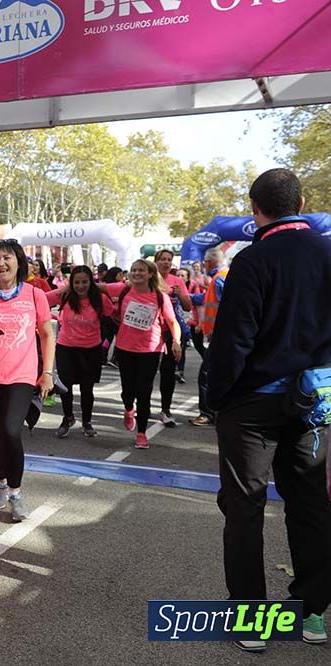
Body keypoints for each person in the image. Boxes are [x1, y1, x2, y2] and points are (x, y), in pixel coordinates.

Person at [207, 169, 331, 652]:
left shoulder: (251, 260)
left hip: (252, 405)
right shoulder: (326, 252)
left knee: (244, 509)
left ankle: (252, 619)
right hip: (314, 402)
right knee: (312, 506)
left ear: (255, 209)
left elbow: (233, 341)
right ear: (302, 200)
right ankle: (313, 611)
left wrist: (217, 398)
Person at [0, 239, 56, 521]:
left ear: (19, 262)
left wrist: (47, 372)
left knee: (11, 432)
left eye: (7, 257)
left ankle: (15, 493)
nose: (1, 263)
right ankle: (0, 483)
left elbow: (47, 334)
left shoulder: (34, 295)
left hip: (21, 376)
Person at [107, 259, 181, 449]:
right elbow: (97, 287)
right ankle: (129, 408)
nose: (137, 273)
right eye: (133, 270)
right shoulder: (123, 290)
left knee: (144, 390)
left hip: (150, 349)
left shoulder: (159, 296)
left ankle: (141, 433)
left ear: (150, 274)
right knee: (128, 390)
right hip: (125, 348)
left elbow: (172, 322)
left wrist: (176, 342)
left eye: (141, 270)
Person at [48, 266, 114, 438]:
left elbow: (115, 315)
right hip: (66, 347)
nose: (80, 286)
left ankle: (87, 421)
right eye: (76, 282)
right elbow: (43, 299)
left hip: (91, 348)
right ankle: (68, 417)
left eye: (85, 282)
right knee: (65, 387)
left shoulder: (100, 299)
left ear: (91, 282)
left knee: (87, 388)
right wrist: (64, 288)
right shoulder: (65, 296)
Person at [189, 248, 227, 427]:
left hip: (220, 336)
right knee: (217, 374)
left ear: (210, 262)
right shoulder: (223, 276)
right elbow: (206, 299)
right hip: (221, 336)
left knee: (206, 375)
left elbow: (227, 307)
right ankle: (217, 412)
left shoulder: (219, 278)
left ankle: (208, 413)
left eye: (205, 261)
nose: (203, 264)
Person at [153, 249, 192, 427]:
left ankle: (165, 409)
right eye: (162, 259)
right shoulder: (149, 278)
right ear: (156, 262)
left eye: (169, 260)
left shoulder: (177, 281)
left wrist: (179, 293)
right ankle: (139, 405)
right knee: (147, 371)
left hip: (172, 331)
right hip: (151, 331)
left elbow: (188, 306)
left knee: (168, 372)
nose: (166, 263)